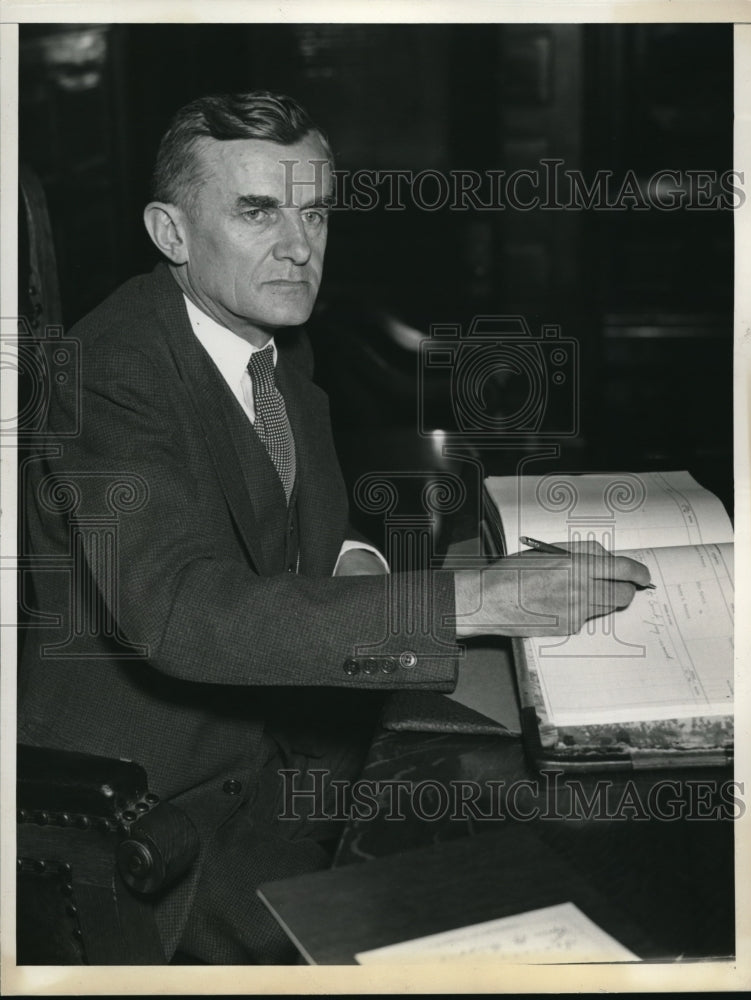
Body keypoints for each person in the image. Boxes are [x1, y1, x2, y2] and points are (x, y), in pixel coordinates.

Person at [18, 91, 651, 964]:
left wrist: (354, 555)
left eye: (314, 211)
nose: (299, 245)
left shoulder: (268, 329)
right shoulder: (105, 375)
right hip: (159, 833)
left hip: (292, 761)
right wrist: (468, 599)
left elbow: (301, 517)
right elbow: (186, 615)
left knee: (550, 861)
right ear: (169, 233)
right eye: (257, 211)